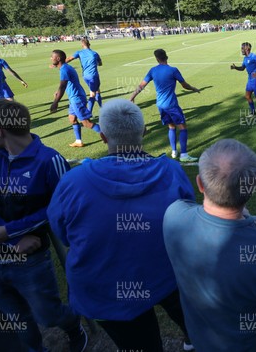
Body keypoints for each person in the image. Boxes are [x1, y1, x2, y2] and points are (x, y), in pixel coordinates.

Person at [47, 99, 195, 352]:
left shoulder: (73, 181)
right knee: (194, 320)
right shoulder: (171, 170)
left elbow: (62, 232)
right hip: (165, 274)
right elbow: (188, 218)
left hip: (105, 289)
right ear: (144, 131)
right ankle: (193, 339)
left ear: (103, 136)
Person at [0, 100, 87, 352]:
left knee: (48, 315)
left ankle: (74, 326)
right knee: (15, 325)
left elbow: (59, 209)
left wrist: (8, 231)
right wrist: (9, 239)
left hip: (28, 260)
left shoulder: (50, 160)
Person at [163, 139, 256, 352]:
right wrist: (251, 223)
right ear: (253, 187)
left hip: (202, 340)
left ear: (200, 183)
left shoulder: (174, 215)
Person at [130, 49, 200, 162]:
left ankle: (173, 151)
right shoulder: (173, 70)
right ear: (167, 57)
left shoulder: (153, 70)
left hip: (160, 105)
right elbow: (184, 85)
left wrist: (132, 97)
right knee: (182, 127)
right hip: (171, 104)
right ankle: (183, 155)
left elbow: (141, 86)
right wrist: (193, 88)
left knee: (171, 126)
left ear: (157, 59)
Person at [50, 49, 101, 147]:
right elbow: (64, 84)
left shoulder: (64, 69)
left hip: (77, 98)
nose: (51, 58)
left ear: (58, 58)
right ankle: (78, 141)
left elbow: (63, 86)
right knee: (72, 118)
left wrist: (55, 102)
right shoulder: (65, 67)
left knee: (86, 123)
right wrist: (57, 91)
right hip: (74, 98)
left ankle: (110, 135)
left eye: (52, 57)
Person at [65, 38, 103, 113]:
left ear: (82, 45)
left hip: (85, 76)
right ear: (89, 44)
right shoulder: (94, 53)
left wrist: (60, 63)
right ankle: (89, 112)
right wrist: (96, 63)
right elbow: (100, 63)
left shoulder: (79, 52)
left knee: (97, 90)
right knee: (93, 94)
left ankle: (102, 107)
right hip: (93, 76)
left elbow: (69, 59)